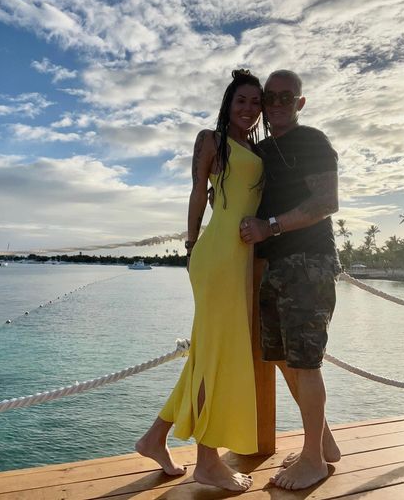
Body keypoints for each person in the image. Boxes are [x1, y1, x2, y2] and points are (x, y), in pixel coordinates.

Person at [136, 69, 266, 491]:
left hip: (242, 259)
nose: (248, 109)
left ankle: (154, 438)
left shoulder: (257, 148)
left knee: (207, 354)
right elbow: (197, 192)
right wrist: (191, 247)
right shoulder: (211, 140)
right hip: (217, 257)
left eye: (256, 102)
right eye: (241, 100)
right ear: (229, 103)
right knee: (217, 356)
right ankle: (207, 461)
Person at [240, 69, 341, 490]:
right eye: (271, 97)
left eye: (286, 97)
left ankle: (314, 460)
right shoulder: (262, 150)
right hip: (274, 266)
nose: (277, 104)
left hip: (307, 263)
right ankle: (324, 443)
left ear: (300, 103)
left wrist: (270, 227)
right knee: (282, 357)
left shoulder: (311, 141)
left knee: (305, 362)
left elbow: (326, 202)